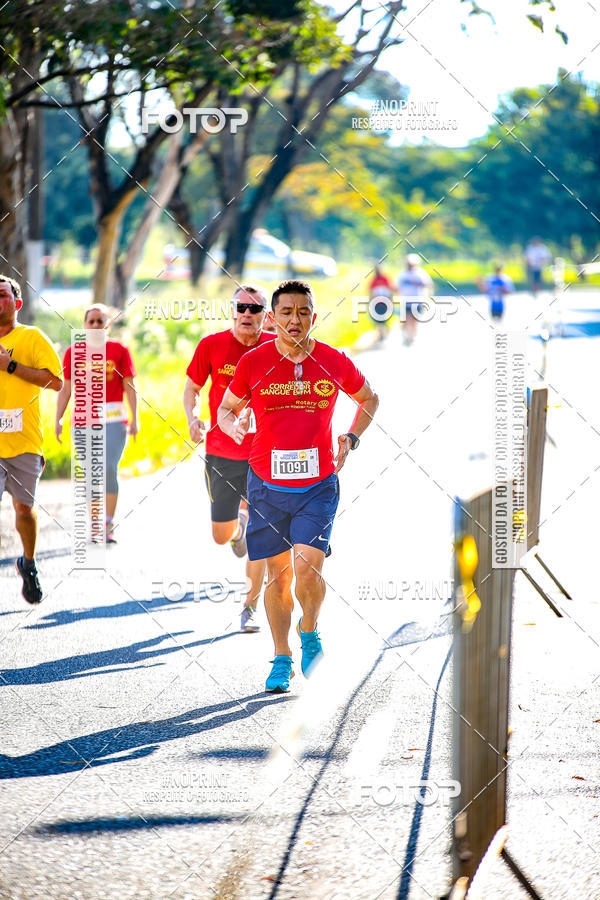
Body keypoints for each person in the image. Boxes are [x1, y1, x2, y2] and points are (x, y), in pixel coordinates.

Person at [217, 279, 379, 692]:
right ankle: (281, 656)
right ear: (272, 318)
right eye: (286, 313)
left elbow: (369, 399)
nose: (294, 320)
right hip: (266, 487)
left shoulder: (332, 360)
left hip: (318, 484)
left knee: (307, 570)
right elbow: (225, 408)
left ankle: (309, 632)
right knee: (278, 575)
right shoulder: (253, 362)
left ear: (313, 316)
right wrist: (234, 426)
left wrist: (351, 437)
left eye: (302, 312)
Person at [184, 284, 274, 633]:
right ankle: (237, 527)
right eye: (242, 307)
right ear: (232, 310)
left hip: (265, 455)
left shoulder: (275, 346)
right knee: (221, 537)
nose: (247, 314)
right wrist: (193, 418)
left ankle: (249, 608)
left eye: (255, 309)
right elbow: (192, 387)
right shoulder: (212, 345)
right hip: (222, 452)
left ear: (266, 315)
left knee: (262, 537)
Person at [0, 275, 63, 604]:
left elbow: (55, 382)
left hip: (24, 442)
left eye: (2, 295)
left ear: (16, 303)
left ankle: (29, 562)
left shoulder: (31, 337)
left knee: (24, 510)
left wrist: (9, 365)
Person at [55, 304, 138, 544]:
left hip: (113, 420)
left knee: (109, 468)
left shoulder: (119, 350)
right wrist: (58, 418)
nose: (94, 325)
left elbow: (129, 387)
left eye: (99, 321)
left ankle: (108, 523)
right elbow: (66, 390)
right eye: (90, 321)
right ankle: (95, 525)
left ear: (107, 325)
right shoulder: (74, 352)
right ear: (84, 325)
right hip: (82, 421)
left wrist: (135, 418)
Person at [397, 253, 433, 345]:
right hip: (405, 301)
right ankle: (409, 336)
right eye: (408, 263)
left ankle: (412, 336)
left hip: (417, 301)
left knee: (414, 319)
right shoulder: (402, 274)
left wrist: (417, 284)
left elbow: (428, 285)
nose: (409, 265)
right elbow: (396, 287)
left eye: (411, 264)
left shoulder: (420, 273)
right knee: (407, 319)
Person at [367, 263, 394, 343]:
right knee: (378, 320)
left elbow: (390, 291)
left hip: (385, 304)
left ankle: (384, 333)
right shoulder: (373, 280)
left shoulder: (385, 279)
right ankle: (381, 335)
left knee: (384, 320)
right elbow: (371, 293)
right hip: (376, 304)